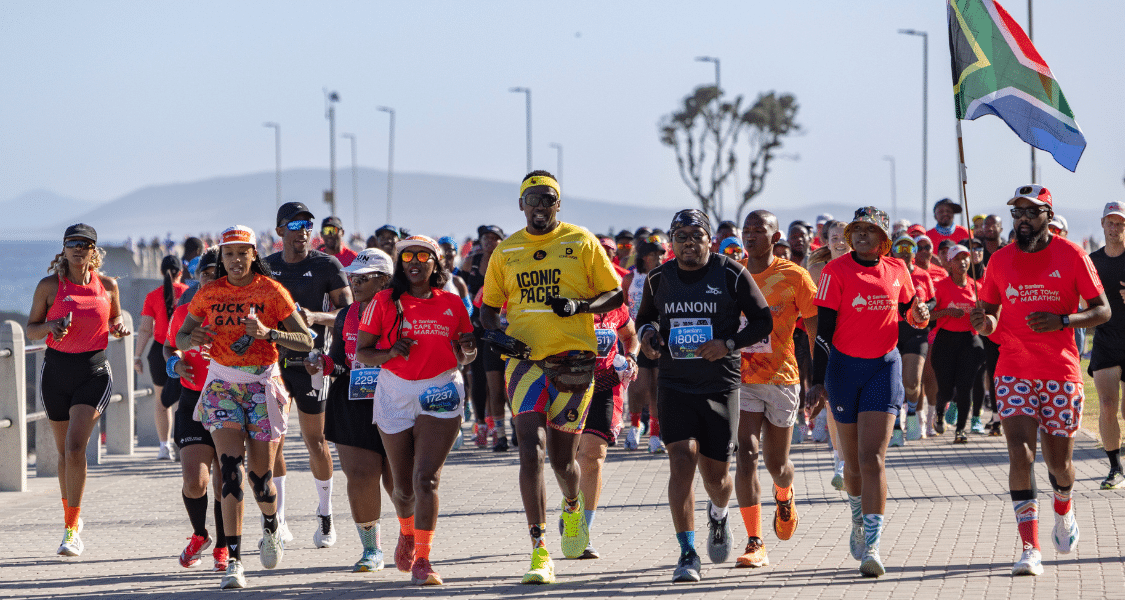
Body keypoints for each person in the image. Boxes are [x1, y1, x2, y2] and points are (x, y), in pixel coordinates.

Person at [480, 170, 624, 584]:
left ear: (558, 204)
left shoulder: (580, 241)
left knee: (564, 462)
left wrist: (579, 306)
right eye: (533, 200)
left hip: (574, 363)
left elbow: (613, 292)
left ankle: (574, 507)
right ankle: (539, 550)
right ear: (521, 205)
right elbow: (489, 309)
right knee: (530, 450)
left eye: (548, 200)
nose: (540, 207)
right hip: (525, 363)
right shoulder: (506, 252)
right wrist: (498, 336)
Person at [969, 185, 1109, 577]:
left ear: (1049, 215)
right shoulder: (998, 261)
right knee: (1020, 454)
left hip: (1060, 371)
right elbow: (993, 317)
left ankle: (1063, 506)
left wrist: (1063, 320)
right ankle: (1030, 548)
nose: (1022, 220)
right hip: (1013, 369)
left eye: (1031, 212)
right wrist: (985, 323)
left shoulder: (1071, 255)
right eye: (1017, 213)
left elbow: (1103, 310)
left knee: (1060, 464)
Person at [636, 209, 772, 583]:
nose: (688, 243)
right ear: (672, 242)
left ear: (709, 239)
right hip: (676, 385)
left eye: (696, 235)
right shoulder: (658, 279)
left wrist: (727, 343)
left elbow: (763, 321)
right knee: (681, 460)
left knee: (717, 477)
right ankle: (687, 552)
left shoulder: (730, 272)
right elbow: (644, 319)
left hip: (719, 387)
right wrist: (648, 338)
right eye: (680, 236)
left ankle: (718, 512)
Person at [176, 225, 315, 589]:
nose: (236, 260)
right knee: (230, 470)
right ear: (221, 258)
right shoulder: (209, 293)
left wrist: (270, 334)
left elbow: (305, 340)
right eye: (229, 254)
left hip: (261, 386)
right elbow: (181, 335)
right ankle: (235, 561)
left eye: (243, 253)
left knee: (260, 480)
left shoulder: (271, 292)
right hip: (222, 385)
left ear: (254, 255)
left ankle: (271, 524)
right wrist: (195, 336)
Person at [808, 207, 929, 577]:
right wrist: (817, 382)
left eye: (869, 230)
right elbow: (824, 332)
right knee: (854, 465)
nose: (861, 235)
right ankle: (858, 516)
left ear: (883, 239)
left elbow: (911, 312)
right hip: (844, 371)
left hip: (883, 367)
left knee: (873, 457)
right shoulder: (834, 271)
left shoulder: (897, 270)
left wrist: (921, 314)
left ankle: (873, 546)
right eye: (856, 230)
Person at [352, 236, 474, 585]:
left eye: (424, 256)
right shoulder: (384, 301)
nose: (415, 262)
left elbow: (467, 356)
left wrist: (468, 349)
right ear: (401, 263)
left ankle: (423, 559)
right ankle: (406, 530)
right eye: (408, 256)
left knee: (426, 479)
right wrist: (390, 353)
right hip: (395, 391)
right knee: (403, 489)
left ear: (436, 263)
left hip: (441, 388)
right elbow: (363, 352)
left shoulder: (452, 302)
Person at [27, 223, 130, 556]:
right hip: (56, 374)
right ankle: (71, 515)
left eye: (84, 244)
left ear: (93, 251)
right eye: (71, 243)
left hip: (94, 373)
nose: (77, 249)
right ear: (64, 248)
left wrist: (120, 326)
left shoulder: (108, 285)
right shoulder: (49, 286)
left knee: (74, 449)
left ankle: (71, 531)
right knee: (62, 455)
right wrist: (51, 326)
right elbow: (31, 331)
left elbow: (114, 320)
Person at [264, 202, 353, 549]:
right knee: (275, 442)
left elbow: (349, 315)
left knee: (315, 441)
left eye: (308, 224)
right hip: (272, 365)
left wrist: (316, 317)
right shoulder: (267, 267)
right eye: (295, 224)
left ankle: (326, 515)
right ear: (280, 231)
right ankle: (280, 519)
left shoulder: (326, 265)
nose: (303, 231)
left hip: (313, 364)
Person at [733, 210, 817, 568]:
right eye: (746, 231)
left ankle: (785, 494)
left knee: (777, 463)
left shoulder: (795, 276)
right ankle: (755, 541)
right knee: (746, 454)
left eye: (759, 230)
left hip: (783, 378)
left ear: (775, 235)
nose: (750, 236)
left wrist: (820, 381)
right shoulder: (732, 274)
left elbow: (815, 331)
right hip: (742, 379)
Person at [304, 248, 396, 572]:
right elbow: (341, 362)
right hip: (353, 401)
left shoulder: (404, 311)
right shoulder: (346, 315)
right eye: (351, 277)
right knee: (359, 476)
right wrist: (322, 363)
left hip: (398, 400)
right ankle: (372, 550)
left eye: (362, 278)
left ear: (384, 281)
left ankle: (412, 537)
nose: (353, 283)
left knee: (398, 481)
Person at [164, 248, 228, 571]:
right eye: (206, 274)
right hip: (191, 401)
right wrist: (175, 363)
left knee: (223, 481)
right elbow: (168, 345)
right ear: (197, 278)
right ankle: (200, 535)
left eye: (218, 273)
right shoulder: (186, 310)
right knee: (194, 481)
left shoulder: (236, 311)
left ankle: (225, 545)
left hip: (227, 399)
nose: (211, 279)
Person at [576, 284, 638, 559]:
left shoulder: (615, 305)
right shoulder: (567, 300)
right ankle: (570, 506)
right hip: (567, 385)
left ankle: (581, 531)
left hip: (604, 386)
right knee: (569, 460)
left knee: (593, 456)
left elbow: (630, 335)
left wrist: (632, 356)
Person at [806, 219, 849, 488]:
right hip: (830, 342)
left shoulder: (862, 266)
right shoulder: (817, 269)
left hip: (859, 341)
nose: (840, 242)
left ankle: (849, 459)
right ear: (826, 242)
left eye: (844, 236)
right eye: (834, 237)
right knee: (834, 402)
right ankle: (840, 459)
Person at [135, 255, 189, 459]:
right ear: (181, 273)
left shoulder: (152, 296)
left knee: (162, 400)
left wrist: (137, 356)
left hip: (159, 351)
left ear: (161, 272)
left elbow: (145, 329)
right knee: (185, 399)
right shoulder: (188, 293)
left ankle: (164, 446)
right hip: (185, 350)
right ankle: (184, 443)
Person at [930, 245, 985, 444]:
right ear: (950, 262)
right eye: (958, 258)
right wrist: (946, 312)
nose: (962, 262)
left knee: (965, 387)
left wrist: (981, 315)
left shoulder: (976, 287)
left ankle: (961, 429)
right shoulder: (940, 285)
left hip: (968, 340)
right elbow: (928, 316)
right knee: (946, 390)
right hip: (945, 340)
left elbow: (985, 313)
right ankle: (939, 411)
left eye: (966, 258)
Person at [462, 225, 509, 450]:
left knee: (509, 386)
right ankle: (488, 428)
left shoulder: (509, 262)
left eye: (495, 238)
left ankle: (514, 430)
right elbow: (465, 293)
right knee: (483, 381)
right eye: (486, 238)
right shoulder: (473, 260)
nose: (490, 242)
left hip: (509, 331)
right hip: (480, 329)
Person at [1089, 201, 1125, 490]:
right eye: (1110, 223)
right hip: (1105, 341)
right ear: (1102, 224)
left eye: (1120, 223)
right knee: (1107, 403)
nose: (1115, 228)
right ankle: (1115, 468)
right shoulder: (1091, 262)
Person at [621, 240, 667, 452]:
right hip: (636, 337)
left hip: (658, 336)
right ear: (643, 257)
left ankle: (656, 435)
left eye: (661, 255)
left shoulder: (665, 277)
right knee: (639, 387)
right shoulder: (630, 279)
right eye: (654, 255)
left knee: (657, 387)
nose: (659, 259)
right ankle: (635, 426)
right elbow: (622, 308)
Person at [890, 236, 935, 443]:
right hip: (892, 331)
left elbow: (933, 300)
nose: (905, 250)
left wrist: (926, 308)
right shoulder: (888, 273)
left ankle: (912, 415)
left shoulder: (923, 275)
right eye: (900, 246)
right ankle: (897, 425)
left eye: (910, 246)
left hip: (917, 333)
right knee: (894, 383)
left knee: (912, 382)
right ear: (892, 251)